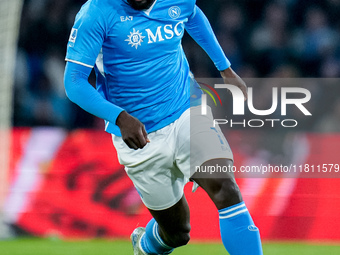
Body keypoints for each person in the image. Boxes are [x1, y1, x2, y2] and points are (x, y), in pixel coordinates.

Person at [63, 0, 263, 254]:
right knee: (177, 232)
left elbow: (192, 15)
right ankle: (146, 246)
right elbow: (74, 82)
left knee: (225, 187)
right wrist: (119, 117)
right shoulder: (97, 11)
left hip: (186, 109)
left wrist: (225, 68)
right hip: (138, 135)